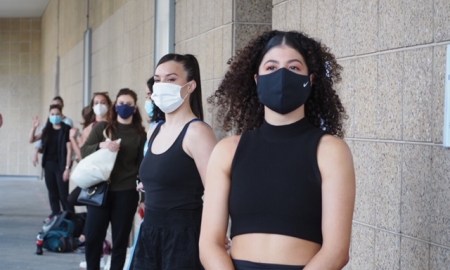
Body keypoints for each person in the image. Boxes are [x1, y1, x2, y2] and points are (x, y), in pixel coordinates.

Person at [199, 30, 356, 270]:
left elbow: (337, 251)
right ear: (256, 79)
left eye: (293, 68)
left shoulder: (331, 151)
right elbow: (209, 244)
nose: (282, 75)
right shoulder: (227, 151)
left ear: (311, 79)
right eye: (271, 67)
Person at [131, 53, 217, 269]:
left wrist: (215, 239)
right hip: (149, 233)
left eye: (171, 79)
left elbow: (217, 194)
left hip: (184, 237)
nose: (161, 86)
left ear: (190, 86)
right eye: (157, 80)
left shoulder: (198, 132)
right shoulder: (155, 131)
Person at [81, 88, 146, 270]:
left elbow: (142, 166)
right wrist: (102, 145)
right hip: (100, 191)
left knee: (120, 241)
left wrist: (143, 197)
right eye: (120, 104)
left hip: (126, 193)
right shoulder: (103, 128)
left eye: (128, 104)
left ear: (134, 108)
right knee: (93, 238)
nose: (124, 107)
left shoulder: (139, 134)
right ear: (115, 106)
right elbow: (84, 150)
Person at [29, 104, 74, 219]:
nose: (55, 116)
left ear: (61, 115)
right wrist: (34, 127)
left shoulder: (66, 129)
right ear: (49, 116)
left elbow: (69, 151)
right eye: (52, 114)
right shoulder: (47, 130)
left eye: (57, 114)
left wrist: (67, 169)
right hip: (48, 165)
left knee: (63, 194)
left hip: (61, 166)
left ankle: (70, 217)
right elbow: (31, 140)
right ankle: (55, 215)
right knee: (52, 193)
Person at [32, 96, 74, 167]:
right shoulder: (49, 122)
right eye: (53, 105)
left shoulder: (67, 122)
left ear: (62, 106)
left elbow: (69, 144)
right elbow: (42, 136)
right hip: (50, 159)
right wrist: (35, 153)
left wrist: (68, 166)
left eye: (57, 105)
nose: (55, 107)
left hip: (62, 158)